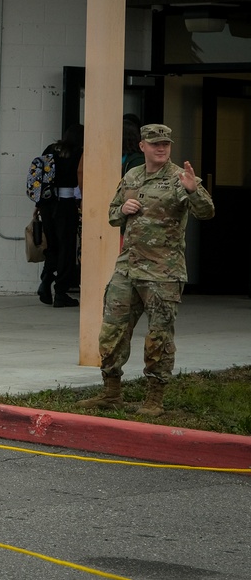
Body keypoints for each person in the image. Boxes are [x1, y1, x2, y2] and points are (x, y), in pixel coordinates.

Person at [78, 124, 215, 417]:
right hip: (128, 269)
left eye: (165, 143)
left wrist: (194, 191)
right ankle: (111, 393)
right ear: (142, 146)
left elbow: (207, 212)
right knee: (112, 330)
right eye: (155, 144)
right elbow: (113, 215)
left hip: (163, 273)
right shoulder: (132, 176)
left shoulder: (181, 178)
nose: (161, 148)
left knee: (158, 337)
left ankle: (155, 398)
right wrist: (122, 209)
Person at [37, 124, 84, 308]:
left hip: (47, 203)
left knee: (53, 244)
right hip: (66, 203)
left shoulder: (51, 148)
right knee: (67, 246)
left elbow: (41, 176)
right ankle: (61, 291)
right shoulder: (80, 152)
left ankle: (46, 280)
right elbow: (80, 178)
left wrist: (38, 204)